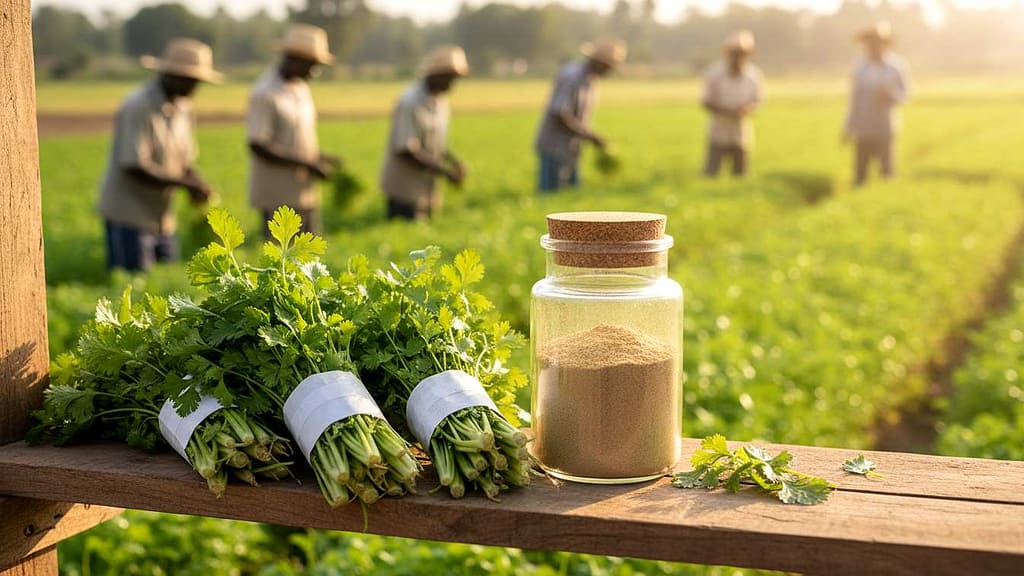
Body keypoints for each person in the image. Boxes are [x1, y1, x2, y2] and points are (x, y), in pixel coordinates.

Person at [98, 38, 218, 272]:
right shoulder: (138, 105)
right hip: (129, 213)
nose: (195, 87)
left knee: (164, 285)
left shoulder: (183, 108)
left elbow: (185, 162)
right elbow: (133, 165)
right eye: (190, 80)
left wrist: (196, 182)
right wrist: (185, 184)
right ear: (171, 75)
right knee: (133, 286)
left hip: (162, 215)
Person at [247, 24, 339, 238]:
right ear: (294, 59)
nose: (314, 72)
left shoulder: (300, 89)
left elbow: (294, 140)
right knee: (282, 265)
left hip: (304, 193)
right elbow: (259, 145)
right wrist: (307, 164)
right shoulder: (265, 92)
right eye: (311, 65)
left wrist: (319, 157)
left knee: (310, 262)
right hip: (278, 197)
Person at [380, 45, 469, 220]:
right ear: (436, 74)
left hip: (427, 190)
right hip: (405, 191)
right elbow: (406, 150)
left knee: (426, 243)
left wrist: (453, 161)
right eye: (450, 78)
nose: (453, 83)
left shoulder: (440, 101)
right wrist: (445, 172)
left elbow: (436, 143)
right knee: (407, 242)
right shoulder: (409, 101)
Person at [535, 39, 627, 193]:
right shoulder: (572, 76)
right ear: (599, 62)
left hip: (572, 149)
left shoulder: (591, 81)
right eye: (608, 67)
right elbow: (560, 114)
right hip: (555, 147)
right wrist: (591, 136)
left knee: (570, 200)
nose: (609, 71)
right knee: (551, 199)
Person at [843, 21, 909, 187]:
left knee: (887, 173)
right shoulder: (859, 68)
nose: (872, 46)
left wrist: (890, 95)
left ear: (884, 44)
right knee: (859, 175)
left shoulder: (896, 67)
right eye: (869, 42)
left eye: (876, 41)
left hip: (885, 128)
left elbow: (905, 95)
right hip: (863, 129)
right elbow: (854, 101)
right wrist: (848, 128)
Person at [701, 30, 762, 178]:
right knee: (711, 174)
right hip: (718, 132)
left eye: (742, 53)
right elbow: (706, 102)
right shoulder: (714, 73)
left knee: (740, 176)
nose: (738, 56)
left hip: (740, 133)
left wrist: (746, 110)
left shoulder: (754, 75)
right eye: (735, 52)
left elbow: (757, 100)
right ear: (728, 53)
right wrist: (726, 111)